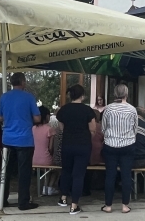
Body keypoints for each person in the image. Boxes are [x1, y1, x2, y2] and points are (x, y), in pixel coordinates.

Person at [0, 72, 42, 210]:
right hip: (24, 139)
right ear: (23, 82)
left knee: (6, 171)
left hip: (7, 138)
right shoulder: (29, 97)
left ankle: (2, 200)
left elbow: (0, 118)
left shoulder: (4, 97)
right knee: (24, 172)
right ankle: (23, 202)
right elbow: (37, 119)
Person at [56, 84, 95, 214]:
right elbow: (93, 129)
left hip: (67, 144)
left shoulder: (63, 110)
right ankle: (74, 205)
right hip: (83, 145)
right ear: (82, 96)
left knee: (66, 171)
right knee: (78, 174)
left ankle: (63, 198)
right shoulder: (87, 110)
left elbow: (61, 127)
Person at [100, 83, 136, 214]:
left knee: (110, 175)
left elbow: (103, 128)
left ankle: (108, 205)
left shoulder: (108, 109)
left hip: (110, 144)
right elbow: (135, 128)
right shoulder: (132, 109)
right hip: (128, 145)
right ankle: (125, 205)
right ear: (127, 94)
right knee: (126, 175)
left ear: (115, 94)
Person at [32, 105, 58, 195]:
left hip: (34, 159)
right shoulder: (50, 129)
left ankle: (44, 187)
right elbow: (50, 148)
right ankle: (49, 187)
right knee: (56, 168)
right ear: (47, 116)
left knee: (46, 170)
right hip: (45, 158)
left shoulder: (33, 129)